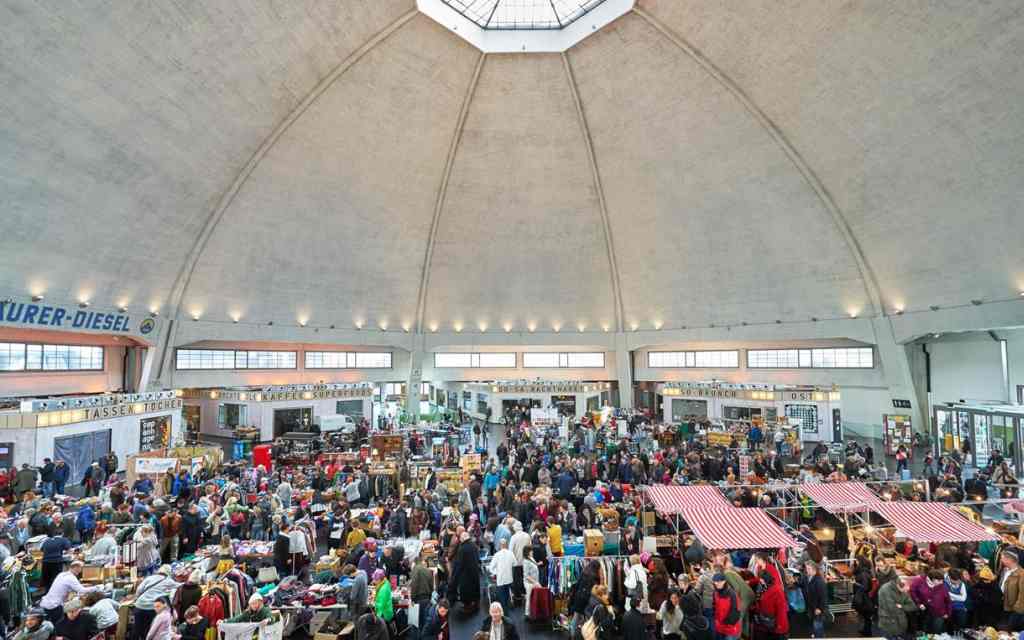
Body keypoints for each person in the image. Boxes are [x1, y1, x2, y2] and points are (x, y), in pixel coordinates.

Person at [133, 566, 179, 640]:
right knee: (150, 628)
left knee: (137, 628)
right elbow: (179, 585)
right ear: (168, 573)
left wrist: (136, 598)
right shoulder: (168, 580)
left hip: (139, 605)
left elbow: (139, 590)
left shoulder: (150, 578)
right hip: (152, 607)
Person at [910, 569, 951, 633]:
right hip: (926, 612)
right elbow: (912, 591)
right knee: (925, 631)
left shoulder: (942, 587)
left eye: (942, 580)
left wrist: (947, 613)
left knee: (936, 631)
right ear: (933, 579)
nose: (942, 582)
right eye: (939, 581)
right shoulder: (920, 581)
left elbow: (948, 601)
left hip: (939, 613)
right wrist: (918, 603)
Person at [800, 561, 828, 638]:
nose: (807, 570)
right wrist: (794, 582)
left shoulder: (819, 581)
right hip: (810, 607)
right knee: (812, 626)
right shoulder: (807, 577)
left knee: (818, 627)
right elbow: (802, 584)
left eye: (809, 569)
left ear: (814, 569)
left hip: (817, 608)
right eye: (806, 569)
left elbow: (823, 596)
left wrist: (820, 608)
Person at [712, 573, 742, 640]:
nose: (717, 583)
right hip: (720, 627)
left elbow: (736, 613)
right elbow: (714, 606)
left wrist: (725, 623)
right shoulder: (715, 593)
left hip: (730, 628)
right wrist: (716, 620)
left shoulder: (732, 595)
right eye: (715, 582)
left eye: (719, 581)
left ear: (724, 581)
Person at [489, 539, 515, 611]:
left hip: (500, 579)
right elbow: (515, 563)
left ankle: (503, 612)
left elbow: (491, 568)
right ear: (506, 545)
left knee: (502, 597)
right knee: (507, 595)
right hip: (509, 578)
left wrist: (496, 572)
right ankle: (506, 610)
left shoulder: (497, 555)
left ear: (500, 545)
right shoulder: (511, 553)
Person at [1001, 548, 1024, 630]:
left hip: (1013, 612)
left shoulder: (1022, 574)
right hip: (1002, 607)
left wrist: (1016, 611)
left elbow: (1022, 596)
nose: (1001, 559)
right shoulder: (1004, 570)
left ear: (1009, 559)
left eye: (1002, 557)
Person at [945, 568, 969, 633]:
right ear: (950, 578)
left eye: (958, 580)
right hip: (948, 608)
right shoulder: (945, 583)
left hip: (960, 608)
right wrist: (958, 597)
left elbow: (963, 598)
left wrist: (951, 596)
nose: (957, 582)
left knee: (961, 626)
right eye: (955, 580)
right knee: (949, 629)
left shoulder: (961, 583)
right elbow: (946, 595)